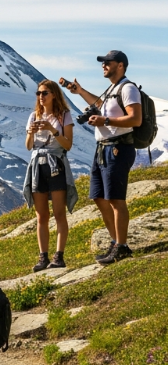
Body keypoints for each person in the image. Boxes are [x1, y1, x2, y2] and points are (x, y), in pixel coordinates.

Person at [61, 50, 142, 265]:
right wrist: (79, 91)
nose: (103, 65)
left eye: (108, 62)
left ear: (121, 66)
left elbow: (136, 119)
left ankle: (122, 246)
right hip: (103, 149)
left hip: (118, 149)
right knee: (99, 197)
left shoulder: (128, 89)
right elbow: (99, 102)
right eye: (103, 63)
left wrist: (105, 121)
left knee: (116, 199)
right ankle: (116, 242)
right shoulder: (112, 89)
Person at [23, 79, 78, 271]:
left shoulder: (64, 116)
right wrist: (30, 133)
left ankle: (59, 255)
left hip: (56, 164)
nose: (41, 97)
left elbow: (68, 145)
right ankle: (42, 256)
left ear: (54, 94)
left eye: (44, 93)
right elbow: (29, 146)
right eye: (38, 93)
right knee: (41, 215)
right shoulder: (33, 116)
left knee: (59, 212)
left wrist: (52, 130)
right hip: (38, 164)